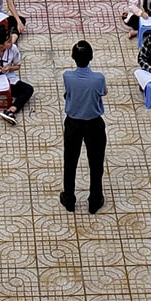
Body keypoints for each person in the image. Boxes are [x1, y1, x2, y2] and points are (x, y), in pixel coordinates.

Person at [61, 39, 106, 214]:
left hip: (73, 123)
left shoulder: (67, 76)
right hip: (94, 124)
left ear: (73, 57)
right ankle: (95, 200)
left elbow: (68, 94)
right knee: (96, 163)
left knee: (70, 162)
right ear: (91, 57)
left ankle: (69, 198)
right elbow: (103, 92)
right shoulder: (98, 78)